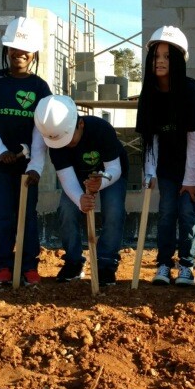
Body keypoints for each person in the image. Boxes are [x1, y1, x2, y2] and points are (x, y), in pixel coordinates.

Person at [0, 17, 52, 286]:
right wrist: (0, 152)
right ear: (6, 50)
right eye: (13, 49)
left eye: (25, 50)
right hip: (0, 165)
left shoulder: (40, 88)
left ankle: (29, 265)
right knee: (4, 215)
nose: (19, 54)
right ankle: (4, 265)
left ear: (34, 54)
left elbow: (41, 130)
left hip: (27, 167)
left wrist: (35, 167)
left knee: (27, 216)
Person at [135, 26, 195, 286]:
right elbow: (151, 136)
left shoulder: (190, 91)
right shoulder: (150, 93)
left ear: (179, 60)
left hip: (193, 159)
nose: (160, 61)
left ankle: (187, 266)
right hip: (166, 161)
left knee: (187, 212)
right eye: (157, 55)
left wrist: (191, 178)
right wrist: (149, 170)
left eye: (167, 56)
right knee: (167, 211)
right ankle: (164, 265)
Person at [34, 95, 128, 286]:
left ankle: (106, 264)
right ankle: (74, 262)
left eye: (69, 139)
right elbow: (67, 178)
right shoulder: (56, 140)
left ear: (81, 124)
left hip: (110, 172)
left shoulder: (101, 129)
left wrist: (100, 183)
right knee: (67, 210)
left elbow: (115, 169)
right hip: (76, 174)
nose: (66, 145)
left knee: (114, 210)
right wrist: (80, 200)